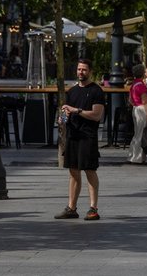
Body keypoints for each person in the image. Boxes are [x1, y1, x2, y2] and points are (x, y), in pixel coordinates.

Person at [55, 58, 105, 221]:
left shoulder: (96, 91)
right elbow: (63, 115)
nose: (80, 72)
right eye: (78, 69)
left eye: (84, 69)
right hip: (73, 136)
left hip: (87, 136)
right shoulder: (72, 91)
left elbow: (97, 115)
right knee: (73, 172)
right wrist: (62, 117)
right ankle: (71, 207)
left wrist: (76, 110)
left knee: (90, 170)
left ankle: (93, 208)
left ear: (90, 71)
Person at [127, 64, 147, 164]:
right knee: (142, 134)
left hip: (136, 108)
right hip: (142, 109)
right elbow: (145, 101)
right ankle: (138, 158)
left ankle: (133, 155)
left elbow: (130, 99)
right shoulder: (141, 86)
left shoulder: (134, 84)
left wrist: (135, 105)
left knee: (137, 133)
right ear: (142, 74)